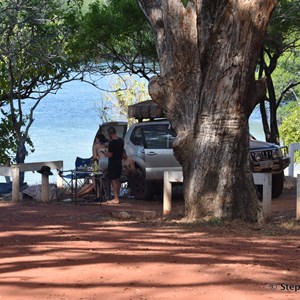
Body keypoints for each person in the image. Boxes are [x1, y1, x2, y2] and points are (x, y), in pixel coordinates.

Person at [76, 133, 108, 199]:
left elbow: (95, 158)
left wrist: (94, 168)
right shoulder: (107, 145)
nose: (95, 140)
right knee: (105, 178)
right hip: (109, 163)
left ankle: (98, 195)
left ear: (98, 139)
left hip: (102, 163)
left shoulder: (95, 146)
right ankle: (106, 193)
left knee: (95, 178)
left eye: (96, 139)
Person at [103, 126, 124, 204]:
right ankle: (117, 196)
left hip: (113, 163)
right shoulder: (121, 141)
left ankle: (116, 198)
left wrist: (104, 153)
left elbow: (110, 154)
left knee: (114, 180)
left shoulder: (112, 143)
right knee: (117, 179)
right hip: (119, 162)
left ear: (109, 134)